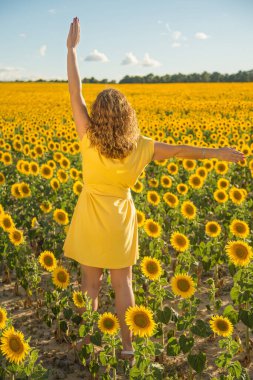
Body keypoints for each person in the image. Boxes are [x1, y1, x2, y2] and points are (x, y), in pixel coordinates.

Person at [64, 17, 245, 363]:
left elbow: (76, 92)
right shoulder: (142, 146)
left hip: (89, 216)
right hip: (119, 220)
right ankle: (129, 347)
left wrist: (71, 50)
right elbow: (179, 150)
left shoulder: (87, 136)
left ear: (98, 115)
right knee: (123, 285)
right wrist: (216, 153)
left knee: (90, 287)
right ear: (127, 116)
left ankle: (88, 342)